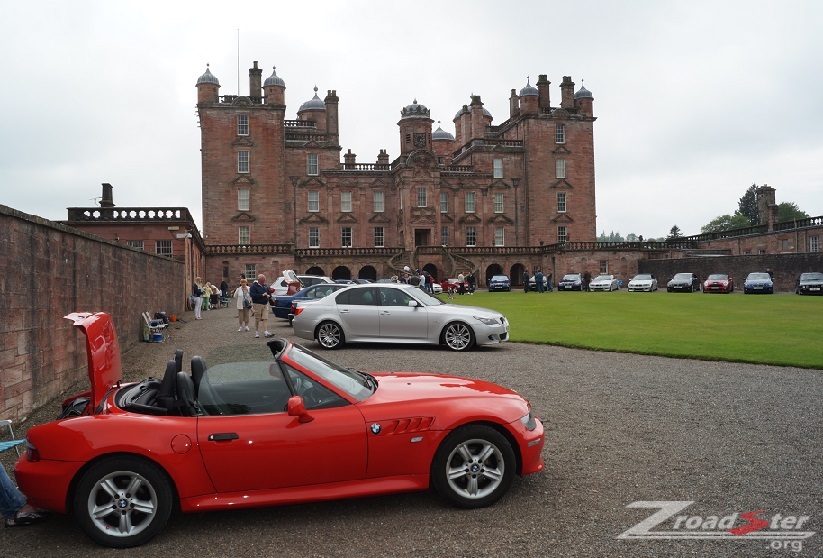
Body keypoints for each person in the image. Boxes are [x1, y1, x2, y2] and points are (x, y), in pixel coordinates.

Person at [249, 274, 272, 338]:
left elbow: (269, 292)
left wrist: (269, 296)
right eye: (262, 281)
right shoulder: (254, 286)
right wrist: (262, 295)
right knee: (257, 319)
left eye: (264, 281)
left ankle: (266, 332)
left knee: (265, 318)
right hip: (257, 304)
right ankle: (256, 332)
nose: (264, 282)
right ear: (259, 280)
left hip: (265, 304)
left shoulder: (264, 286)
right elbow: (253, 295)